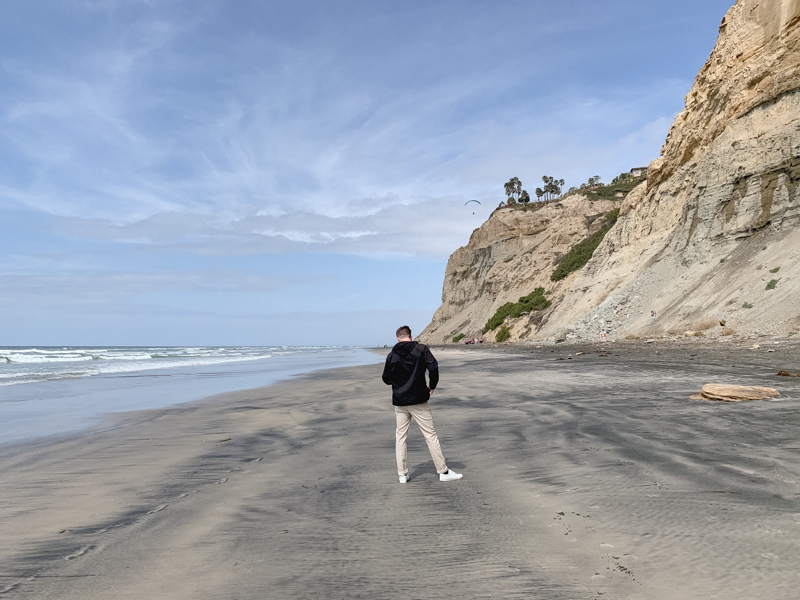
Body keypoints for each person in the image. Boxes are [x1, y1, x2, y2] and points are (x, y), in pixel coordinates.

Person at [382, 325, 462, 484]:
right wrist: (432, 386)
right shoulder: (421, 349)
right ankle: (443, 471)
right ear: (410, 337)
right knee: (430, 435)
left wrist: (398, 382)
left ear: (398, 338)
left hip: (400, 401)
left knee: (400, 437)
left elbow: (386, 379)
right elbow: (433, 367)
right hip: (418, 399)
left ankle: (402, 474)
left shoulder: (392, 355)